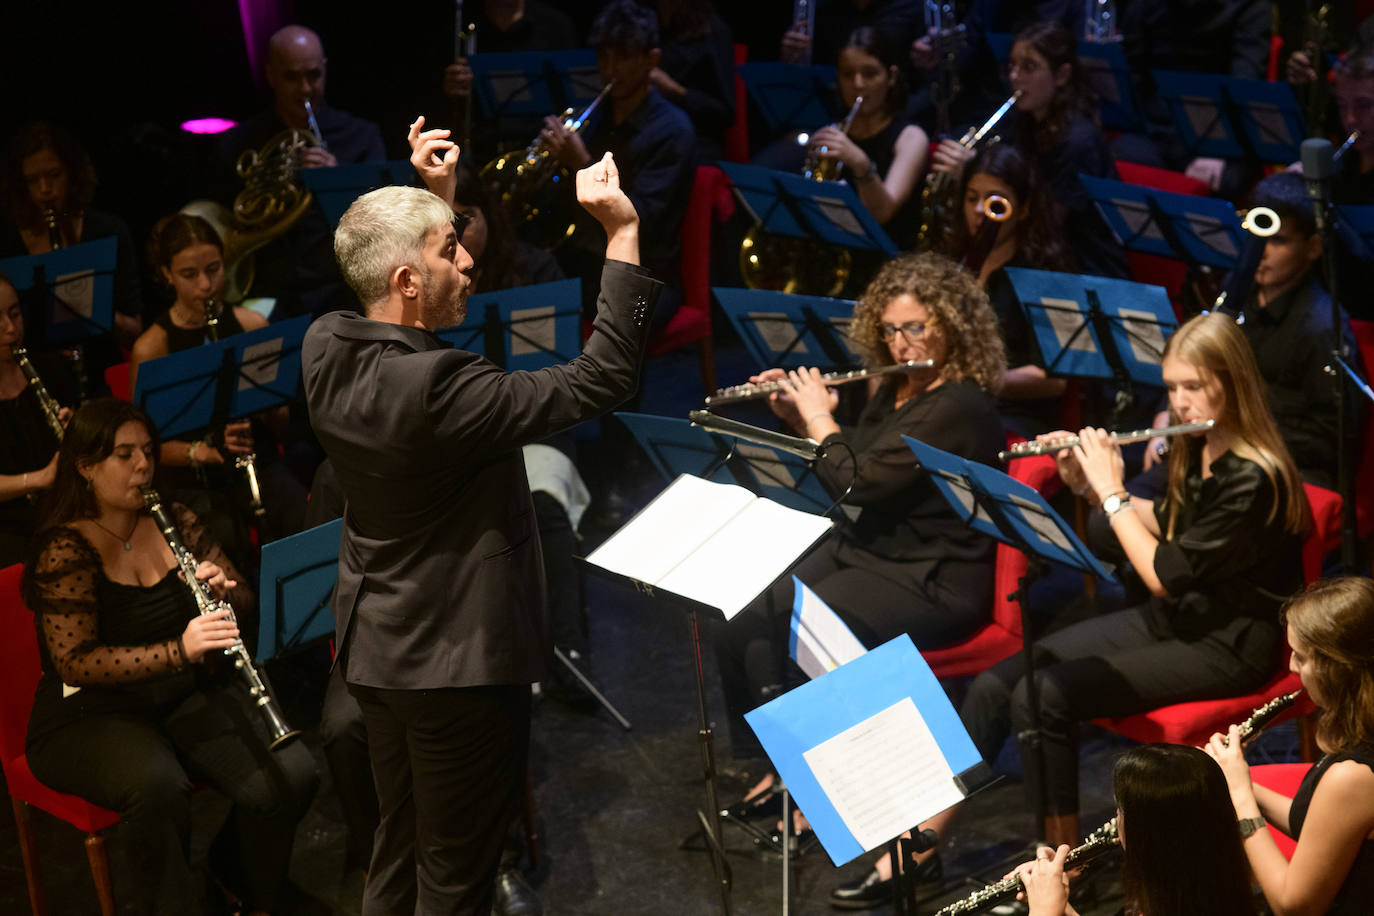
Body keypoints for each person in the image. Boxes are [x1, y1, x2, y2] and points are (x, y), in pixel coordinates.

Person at [301, 101, 660, 915]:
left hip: (377, 653)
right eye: (449, 249)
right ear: (407, 280)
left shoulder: (325, 343)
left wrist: (436, 193)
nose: (467, 261)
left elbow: (381, 259)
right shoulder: (441, 388)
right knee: (455, 878)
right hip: (455, 664)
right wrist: (622, 235)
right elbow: (602, 379)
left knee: (395, 850)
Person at [840, 312, 1309, 909]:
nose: (1180, 402)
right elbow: (1163, 534)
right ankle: (921, 848)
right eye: (1172, 387)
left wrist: (1113, 492)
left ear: (1233, 384)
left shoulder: (1256, 477)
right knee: (996, 684)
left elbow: (1165, 572)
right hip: (1176, 621)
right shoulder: (1198, 449)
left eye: (1194, 386)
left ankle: (1064, 871)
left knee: (1050, 694)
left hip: (1227, 642)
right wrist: (1091, 488)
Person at [716, 252, 1005, 808]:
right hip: (869, 550)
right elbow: (853, 461)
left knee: (794, 619)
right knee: (745, 598)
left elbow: (861, 482)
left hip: (930, 575)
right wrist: (799, 418)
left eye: (915, 328)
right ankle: (780, 764)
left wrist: (820, 418)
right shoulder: (897, 389)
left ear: (952, 326)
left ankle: (822, 791)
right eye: (891, 330)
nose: (901, 344)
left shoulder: (960, 405)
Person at [21, 399, 317, 915]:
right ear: (86, 467)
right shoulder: (65, 548)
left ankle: (230, 882)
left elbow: (243, 599)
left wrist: (225, 590)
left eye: (148, 451)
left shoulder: (173, 517)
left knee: (294, 774)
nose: (144, 465)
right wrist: (178, 650)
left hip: (181, 692)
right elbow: (74, 662)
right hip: (93, 712)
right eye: (124, 454)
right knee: (157, 787)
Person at [129, 213, 306, 559]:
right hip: (196, 483)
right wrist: (203, 452)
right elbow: (144, 445)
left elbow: (282, 424)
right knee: (227, 544)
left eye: (213, 269)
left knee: (305, 520)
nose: (206, 286)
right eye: (189, 275)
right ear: (166, 274)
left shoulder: (252, 325)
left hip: (258, 465)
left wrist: (266, 403)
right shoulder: (152, 347)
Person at [1206, 577, 1374, 916]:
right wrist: (1236, 780)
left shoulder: (1354, 777)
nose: (1291, 668)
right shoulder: (1362, 735)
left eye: (1300, 656)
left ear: (1334, 668)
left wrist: (1240, 796)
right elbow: (1324, 828)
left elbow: (1292, 904)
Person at [541, 0, 694, 333]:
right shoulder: (595, 117)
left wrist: (581, 163)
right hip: (587, 259)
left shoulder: (672, 130)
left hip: (645, 274)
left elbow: (643, 220)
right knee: (523, 287)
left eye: (623, 57)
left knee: (614, 326)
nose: (610, 70)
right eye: (603, 56)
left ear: (652, 60)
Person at [213, 25, 386, 318]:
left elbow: (384, 228)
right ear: (270, 75)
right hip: (265, 295)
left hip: (342, 294)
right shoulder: (237, 144)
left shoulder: (361, 137)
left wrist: (337, 181)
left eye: (313, 75)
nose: (306, 88)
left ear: (325, 69)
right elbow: (224, 218)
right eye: (292, 77)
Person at [929, 22, 1127, 279]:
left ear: (1062, 75)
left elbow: (1045, 224)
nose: (1015, 76)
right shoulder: (1022, 122)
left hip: (1080, 268)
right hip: (1029, 258)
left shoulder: (1079, 141)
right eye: (1012, 66)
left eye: (1029, 67)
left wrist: (973, 172)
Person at [1016, 744, 1256, 916]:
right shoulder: (1206, 890)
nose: (1116, 818)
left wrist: (1044, 911)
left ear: (1148, 835)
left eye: (1120, 810)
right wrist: (1058, 902)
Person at [0, 123, 144, 377]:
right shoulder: (7, 243)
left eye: (54, 175)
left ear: (72, 173)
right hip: (35, 375)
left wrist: (95, 312)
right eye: (33, 181)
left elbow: (135, 330)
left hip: (101, 370)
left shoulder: (107, 231)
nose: (45, 189)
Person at [949, 142, 1072, 437]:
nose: (980, 211)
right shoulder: (955, 261)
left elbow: (1054, 379)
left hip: (1010, 414)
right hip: (953, 401)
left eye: (995, 202)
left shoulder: (1047, 276)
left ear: (1024, 209)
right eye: (971, 198)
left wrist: (978, 380)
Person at [805, 27, 930, 245]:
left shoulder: (911, 137)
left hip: (890, 258)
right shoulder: (833, 135)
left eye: (870, 73)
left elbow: (882, 214)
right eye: (847, 74)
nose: (858, 84)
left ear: (891, 77)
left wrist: (860, 163)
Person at [0, 273, 74, 566]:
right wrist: (39, 479)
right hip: (9, 527)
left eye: (14, 314)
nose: (10, 329)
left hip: (63, 507)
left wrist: (78, 430)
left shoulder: (49, 368)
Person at [653, 0, 737, 165]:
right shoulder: (647, 22)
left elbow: (725, 113)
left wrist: (675, 90)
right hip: (653, 133)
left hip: (695, 140)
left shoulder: (712, 30)